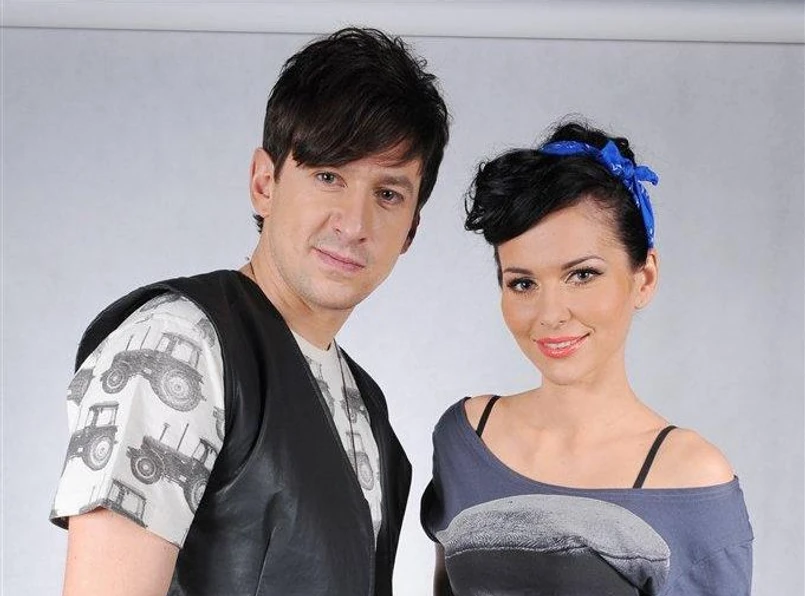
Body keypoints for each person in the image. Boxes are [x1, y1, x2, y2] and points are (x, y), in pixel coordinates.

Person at [50, 27, 449, 596]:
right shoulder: (179, 345)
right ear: (265, 183)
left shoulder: (368, 406)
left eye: (388, 194)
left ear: (411, 230)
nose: (354, 224)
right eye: (328, 176)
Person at [421, 121, 752, 595]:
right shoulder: (466, 437)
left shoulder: (690, 478)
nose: (551, 314)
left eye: (581, 275)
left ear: (644, 278)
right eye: (522, 283)